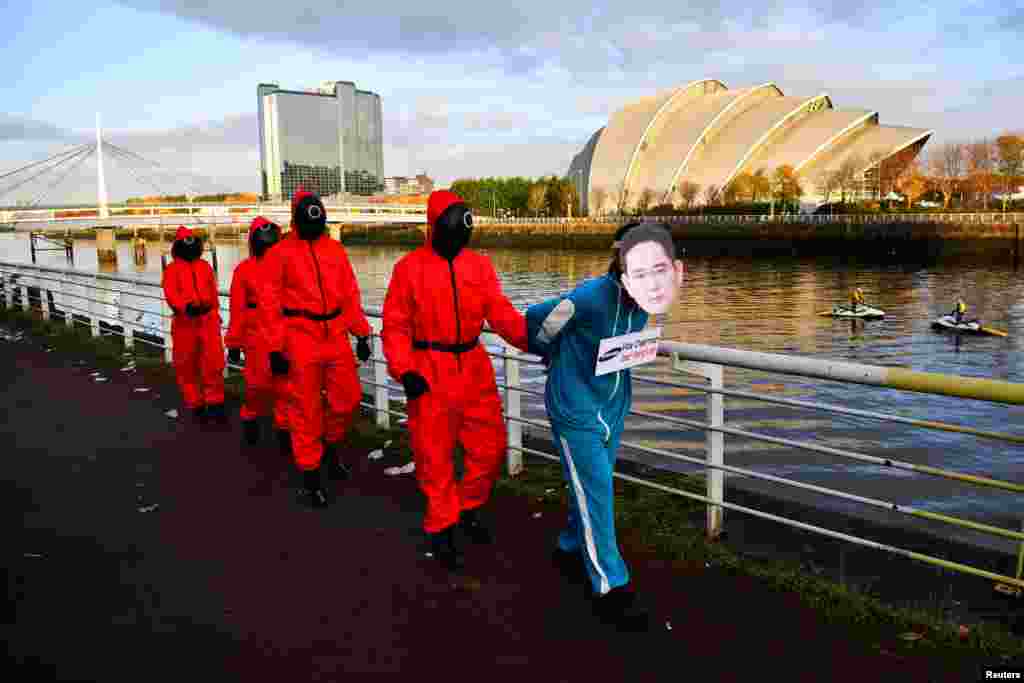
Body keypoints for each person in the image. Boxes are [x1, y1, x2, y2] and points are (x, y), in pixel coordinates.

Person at [525, 222, 682, 632]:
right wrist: (552, 353)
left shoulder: (644, 301)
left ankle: (569, 547)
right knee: (599, 492)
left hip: (611, 407)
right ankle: (611, 586)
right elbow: (539, 320)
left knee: (594, 486)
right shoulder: (592, 295)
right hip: (575, 409)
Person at [382, 190, 529, 571]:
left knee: (490, 447)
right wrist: (405, 369)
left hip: (473, 366)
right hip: (428, 369)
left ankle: (468, 506)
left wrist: (536, 339)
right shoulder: (408, 269)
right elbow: (395, 325)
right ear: (435, 227)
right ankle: (442, 526)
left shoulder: (479, 267)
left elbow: (501, 313)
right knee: (434, 457)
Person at [260, 189, 373, 508]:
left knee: (347, 401)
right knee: (305, 409)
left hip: (336, 335)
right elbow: (269, 306)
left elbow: (350, 296)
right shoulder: (280, 254)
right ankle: (311, 474)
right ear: (297, 216)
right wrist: (275, 349)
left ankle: (330, 445)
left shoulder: (335, 251)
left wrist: (362, 333)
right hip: (299, 338)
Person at [225, 216, 283, 446]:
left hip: (284, 331)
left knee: (285, 386)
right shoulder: (244, 270)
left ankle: (285, 429)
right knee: (257, 385)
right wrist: (234, 344)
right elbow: (237, 309)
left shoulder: (286, 266)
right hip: (256, 335)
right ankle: (250, 416)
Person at [161, 226, 226, 423]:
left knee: (213, 362)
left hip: (207, 320)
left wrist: (216, 313)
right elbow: (171, 293)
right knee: (187, 364)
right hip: (185, 322)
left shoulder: (205, 267)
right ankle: (195, 403)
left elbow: (212, 293)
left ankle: (214, 402)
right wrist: (185, 307)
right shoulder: (172, 270)